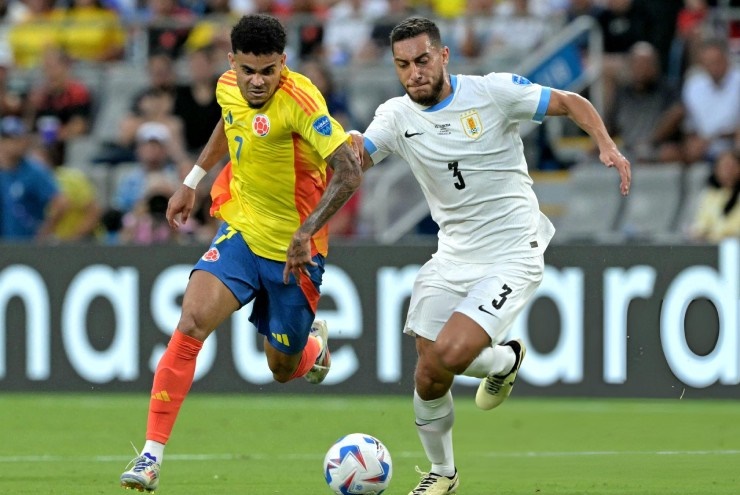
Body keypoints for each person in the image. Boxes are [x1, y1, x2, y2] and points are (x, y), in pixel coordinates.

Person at [350, 17, 631, 495]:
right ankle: (445, 470)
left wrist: (605, 145)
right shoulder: (397, 115)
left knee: (451, 353)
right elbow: (360, 153)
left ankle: (497, 360)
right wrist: (333, 145)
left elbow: (570, 101)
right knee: (428, 371)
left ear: (443, 56)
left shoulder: (493, 92)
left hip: (511, 252)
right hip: (453, 254)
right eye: (402, 65)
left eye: (421, 60)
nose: (413, 73)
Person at [118, 13, 363, 493]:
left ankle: (312, 345)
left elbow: (350, 170)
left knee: (280, 367)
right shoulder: (228, 86)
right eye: (248, 69)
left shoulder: (301, 100)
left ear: (283, 64)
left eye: (268, 70)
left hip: (297, 253)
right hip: (243, 233)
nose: (257, 81)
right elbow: (228, 125)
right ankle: (150, 457)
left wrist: (307, 230)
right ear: (232, 62)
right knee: (190, 323)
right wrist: (192, 181)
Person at [689, 148, 740, 243]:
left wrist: (714, 234)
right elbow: (701, 225)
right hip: (711, 247)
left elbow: (735, 230)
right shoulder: (710, 194)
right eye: (723, 166)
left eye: (731, 166)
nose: (727, 170)